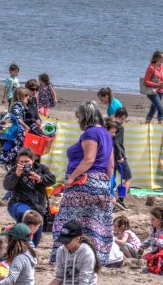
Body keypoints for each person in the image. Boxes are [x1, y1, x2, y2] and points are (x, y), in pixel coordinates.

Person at [49, 101, 114, 267]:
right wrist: (104, 184)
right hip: (101, 184)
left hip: (83, 184)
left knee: (65, 222)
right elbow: (110, 166)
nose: (78, 120)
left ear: (85, 116)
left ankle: (61, 258)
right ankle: (94, 260)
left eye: (78, 116)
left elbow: (89, 159)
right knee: (94, 225)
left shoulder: (90, 133)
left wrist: (71, 179)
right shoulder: (106, 134)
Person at [35, 221, 99, 285]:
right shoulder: (61, 251)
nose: (64, 244)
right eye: (63, 240)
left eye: (67, 241)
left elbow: (84, 279)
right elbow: (59, 278)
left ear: (78, 239)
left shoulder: (87, 253)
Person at [2, 147, 55, 247]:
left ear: (33, 160)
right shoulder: (14, 169)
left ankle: (29, 251)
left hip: (38, 207)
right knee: (26, 214)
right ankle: (18, 243)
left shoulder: (41, 168)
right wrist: (16, 175)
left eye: (26, 161)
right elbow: (7, 186)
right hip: (18, 203)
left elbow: (52, 180)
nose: (24, 164)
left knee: (35, 237)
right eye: (21, 162)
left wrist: (39, 178)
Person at [0, 87, 32, 167]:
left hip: (16, 130)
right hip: (17, 130)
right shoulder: (18, 104)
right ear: (19, 96)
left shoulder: (19, 105)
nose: (28, 97)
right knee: (19, 147)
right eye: (26, 95)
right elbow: (16, 117)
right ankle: (5, 160)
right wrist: (25, 126)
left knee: (17, 146)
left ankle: (7, 160)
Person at [142, 50, 163, 124]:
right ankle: (160, 125)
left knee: (153, 108)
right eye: (162, 57)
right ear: (157, 58)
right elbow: (146, 81)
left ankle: (146, 123)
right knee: (160, 109)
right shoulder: (151, 68)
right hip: (152, 92)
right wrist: (157, 85)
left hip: (160, 91)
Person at [112, 107, 132, 210]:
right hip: (118, 157)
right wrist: (120, 156)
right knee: (128, 178)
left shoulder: (109, 125)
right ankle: (119, 200)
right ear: (123, 118)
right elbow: (117, 142)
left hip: (109, 157)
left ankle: (113, 199)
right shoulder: (120, 128)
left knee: (112, 179)